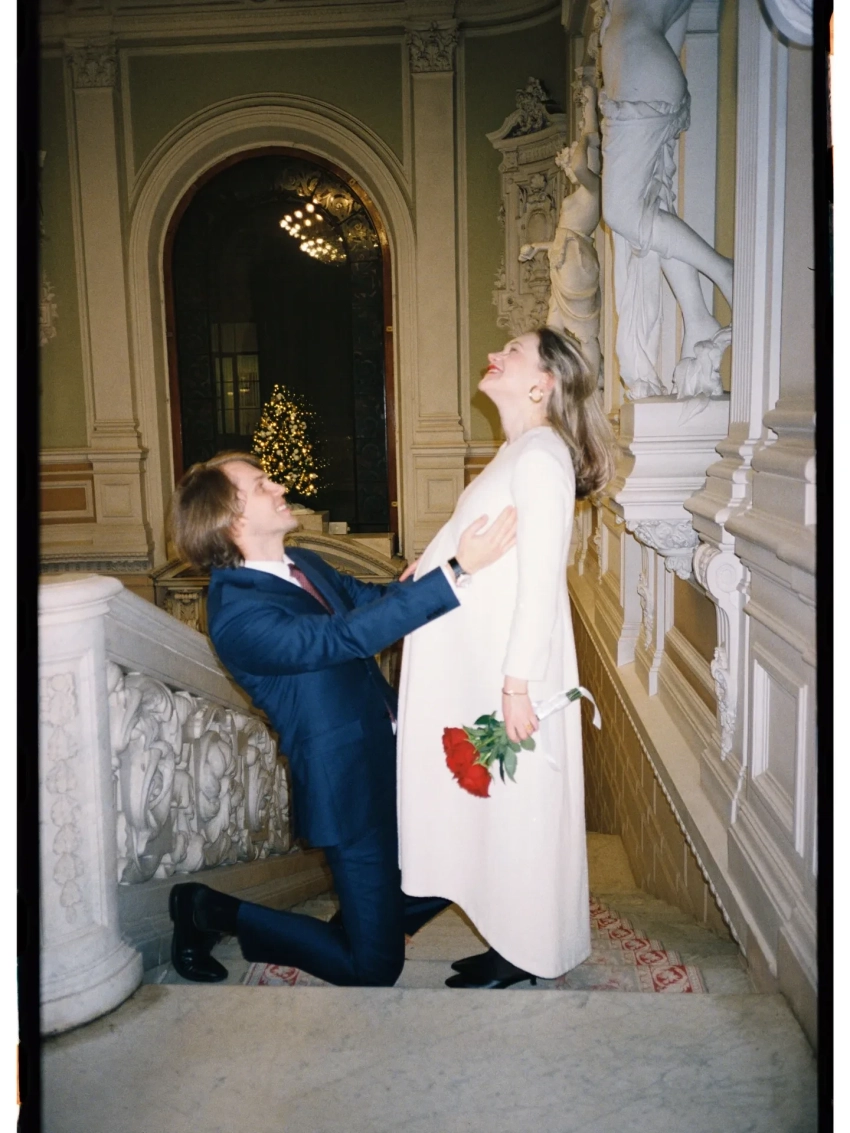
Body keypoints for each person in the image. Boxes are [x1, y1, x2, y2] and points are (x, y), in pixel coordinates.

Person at [166, 451, 516, 986]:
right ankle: (207, 910)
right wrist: (455, 571)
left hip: (395, 751)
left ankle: (370, 921)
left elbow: (371, 601)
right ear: (231, 520)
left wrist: (431, 572)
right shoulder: (236, 614)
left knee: (466, 846)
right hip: (347, 783)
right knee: (373, 969)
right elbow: (344, 637)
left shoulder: (304, 563)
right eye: (261, 485)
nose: (279, 487)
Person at [397, 326, 615, 988]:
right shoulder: (516, 452)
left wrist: (517, 686)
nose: (495, 355)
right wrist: (428, 564)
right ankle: (510, 940)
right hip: (486, 668)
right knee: (497, 810)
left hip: (511, 677)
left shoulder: (542, 456)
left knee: (521, 811)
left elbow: (543, 581)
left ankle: (527, 952)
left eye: (513, 352)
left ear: (543, 384)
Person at [598, 0, 733, 398]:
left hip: (640, 77)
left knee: (621, 212)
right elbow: (674, 26)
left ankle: (725, 272)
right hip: (646, 74)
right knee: (651, 213)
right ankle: (698, 315)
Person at [519, 82, 602, 382]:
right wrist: (536, 246)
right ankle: (556, 387)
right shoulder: (581, 194)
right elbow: (562, 236)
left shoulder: (593, 190)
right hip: (563, 260)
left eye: (568, 163)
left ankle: (591, 390)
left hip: (576, 262)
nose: (568, 169)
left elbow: (581, 163)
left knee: (585, 333)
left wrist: (589, 121)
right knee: (552, 328)